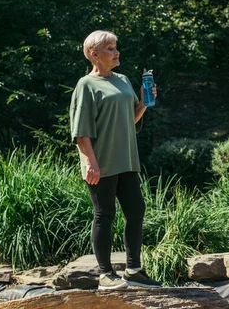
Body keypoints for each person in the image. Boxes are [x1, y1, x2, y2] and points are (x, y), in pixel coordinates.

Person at [69, 30, 160, 290]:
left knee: (136, 210)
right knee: (104, 215)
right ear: (93, 55)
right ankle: (106, 275)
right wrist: (89, 162)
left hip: (127, 159)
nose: (116, 51)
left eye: (115, 47)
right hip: (101, 162)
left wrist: (143, 103)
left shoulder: (122, 80)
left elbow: (130, 120)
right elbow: (81, 130)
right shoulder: (85, 85)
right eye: (109, 48)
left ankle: (134, 270)